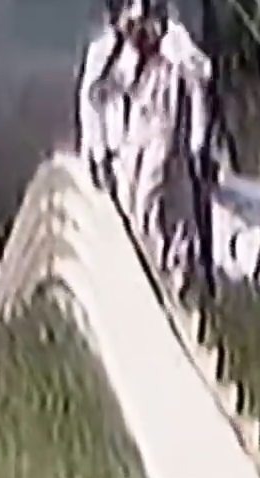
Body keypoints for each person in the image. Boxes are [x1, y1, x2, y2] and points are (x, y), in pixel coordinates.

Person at [77, 0, 212, 278]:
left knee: (164, 211)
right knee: (133, 214)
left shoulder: (173, 43)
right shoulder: (107, 51)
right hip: (124, 148)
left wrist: (199, 145)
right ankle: (144, 275)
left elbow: (199, 82)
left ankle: (177, 276)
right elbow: (91, 102)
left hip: (167, 141)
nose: (137, 15)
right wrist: (97, 151)